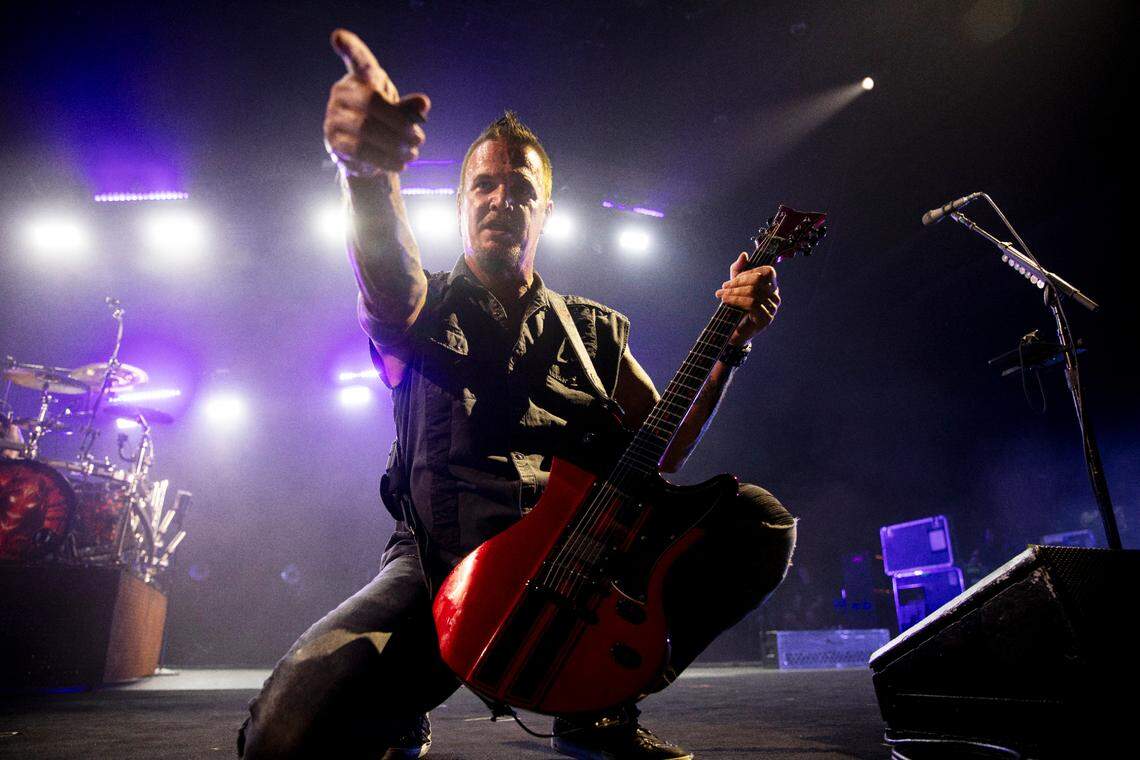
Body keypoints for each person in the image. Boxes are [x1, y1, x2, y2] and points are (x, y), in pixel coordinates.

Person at [238, 28, 796, 760]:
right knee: (282, 738)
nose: (503, 199)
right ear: (462, 200)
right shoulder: (424, 302)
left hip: (581, 569)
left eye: (522, 189)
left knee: (756, 523)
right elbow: (386, 289)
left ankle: (597, 702)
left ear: (545, 212)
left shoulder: (595, 329)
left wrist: (731, 345)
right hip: (439, 570)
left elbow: (663, 439)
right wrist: (368, 177)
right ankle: (399, 707)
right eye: (485, 185)